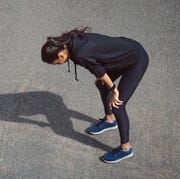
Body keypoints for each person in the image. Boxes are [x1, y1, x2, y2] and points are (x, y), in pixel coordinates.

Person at [41, 27, 149, 163]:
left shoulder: (80, 54)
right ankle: (110, 120)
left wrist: (114, 90)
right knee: (102, 85)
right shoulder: (68, 40)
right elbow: (98, 66)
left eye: (57, 63)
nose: (59, 64)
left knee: (117, 105)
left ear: (61, 55)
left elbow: (100, 72)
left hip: (136, 60)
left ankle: (126, 149)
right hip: (123, 53)